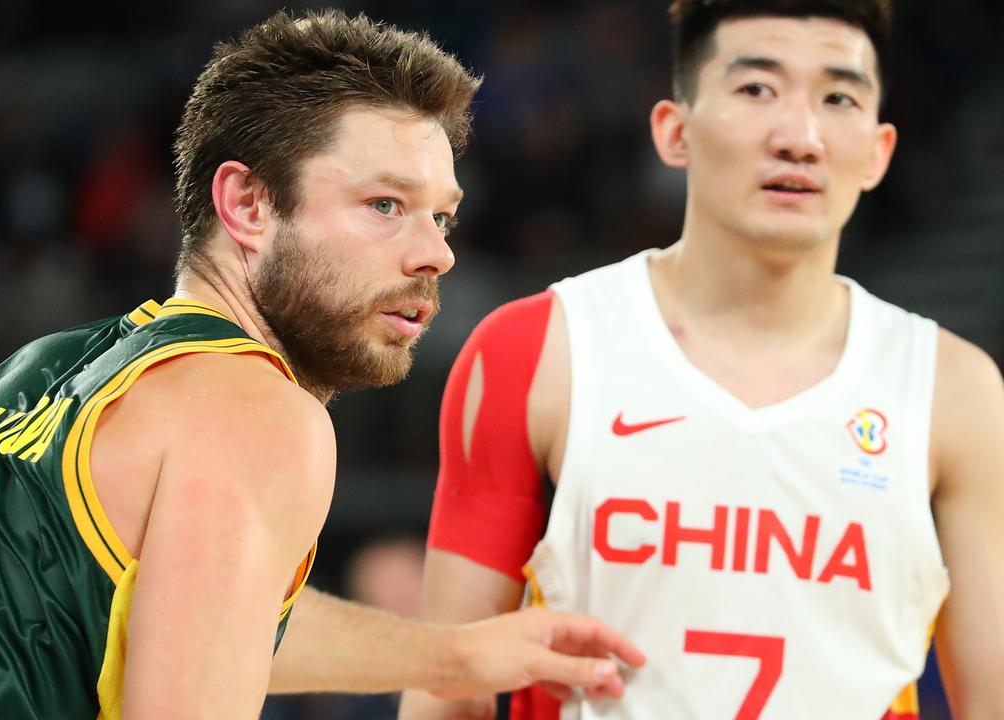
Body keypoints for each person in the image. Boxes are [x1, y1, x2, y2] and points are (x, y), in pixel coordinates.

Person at [0, 10, 646, 720]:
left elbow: (190, 626)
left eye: (442, 217)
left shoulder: (37, 373)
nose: (436, 255)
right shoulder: (256, 413)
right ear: (248, 203)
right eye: (386, 204)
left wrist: (448, 656)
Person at [401, 1, 1004, 719]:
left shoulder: (953, 388)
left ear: (877, 152)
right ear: (674, 131)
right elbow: (447, 689)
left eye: (839, 97)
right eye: (757, 89)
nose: (800, 136)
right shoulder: (541, 350)